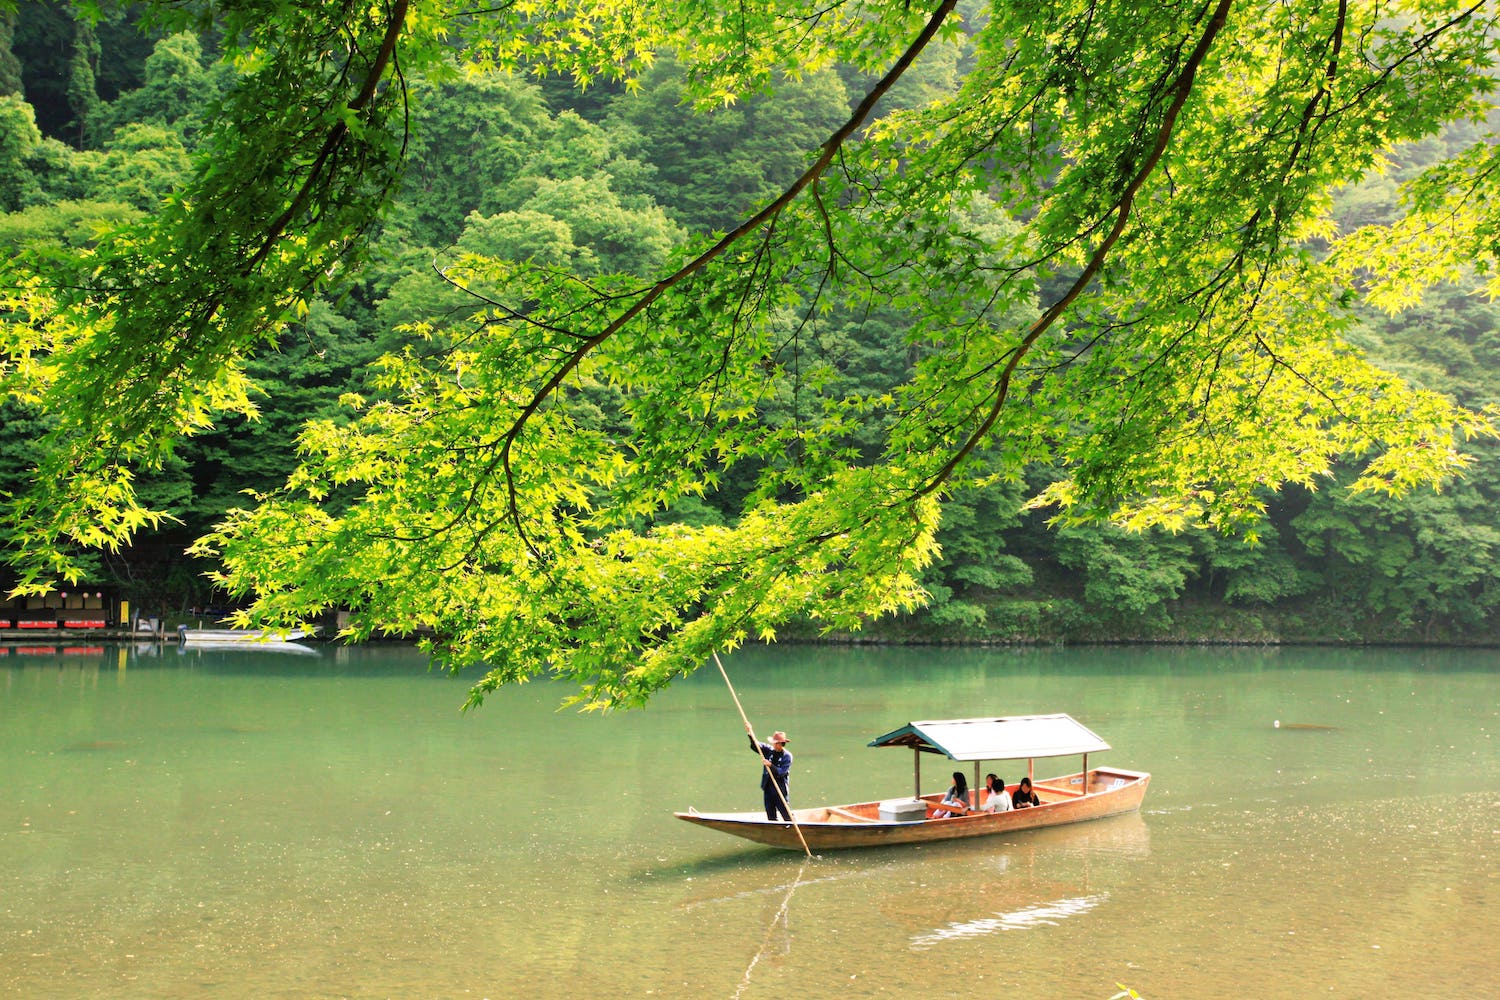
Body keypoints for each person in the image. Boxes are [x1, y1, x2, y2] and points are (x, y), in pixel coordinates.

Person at [747, 725, 793, 821]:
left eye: (776, 743)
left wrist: (770, 765)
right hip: (768, 788)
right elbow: (756, 745)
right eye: (773, 743)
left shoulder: (787, 756)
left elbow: (781, 772)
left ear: (781, 744)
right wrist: (750, 733)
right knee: (771, 815)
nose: (774, 745)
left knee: (787, 816)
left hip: (780, 790)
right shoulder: (769, 750)